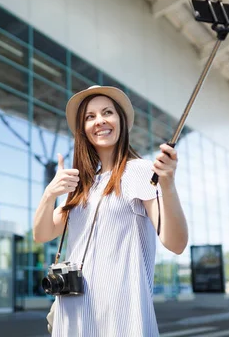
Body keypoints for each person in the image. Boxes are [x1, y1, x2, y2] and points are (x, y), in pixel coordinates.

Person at [33, 85, 188, 336]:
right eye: (90, 117)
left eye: (107, 112)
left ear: (121, 121)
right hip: (73, 316)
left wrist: (168, 184)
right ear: (82, 130)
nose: (100, 121)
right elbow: (41, 234)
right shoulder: (82, 184)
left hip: (122, 318)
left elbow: (176, 243)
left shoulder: (140, 171)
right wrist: (49, 193)